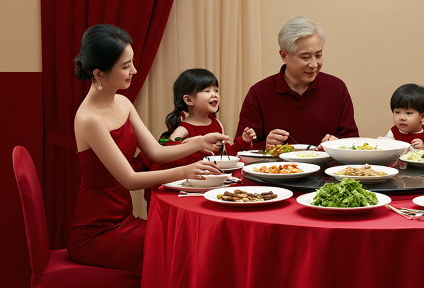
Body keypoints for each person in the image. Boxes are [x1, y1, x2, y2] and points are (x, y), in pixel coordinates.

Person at [67, 24, 227, 273]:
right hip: (97, 232)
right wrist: (186, 171)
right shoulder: (89, 119)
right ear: (99, 74)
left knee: (189, 241)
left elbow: (156, 152)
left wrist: (197, 142)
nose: (134, 70)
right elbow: (129, 180)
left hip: (123, 219)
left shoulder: (123, 102)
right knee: (183, 246)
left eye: (132, 62)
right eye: (125, 66)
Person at [234, 16, 359, 148]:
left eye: (318, 55)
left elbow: (353, 143)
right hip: (277, 168)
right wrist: (266, 145)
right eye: (305, 57)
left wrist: (338, 144)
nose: (314, 64)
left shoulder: (337, 88)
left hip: (327, 168)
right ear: (284, 56)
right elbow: (240, 148)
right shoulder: (259, 93)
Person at [151, 68, 256, 169]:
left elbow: (226, 154)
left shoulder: (217, 124)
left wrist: (244, 140)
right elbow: (169, 154)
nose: (214, 94)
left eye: (216, 90)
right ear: (188, 99)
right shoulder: (184, 129)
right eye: (207, 91)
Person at [381, 83, 424, 149]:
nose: (402, 118)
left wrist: (423, 148)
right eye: (397, 112)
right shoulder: (392, 133)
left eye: (408, 113)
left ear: (423, 116)